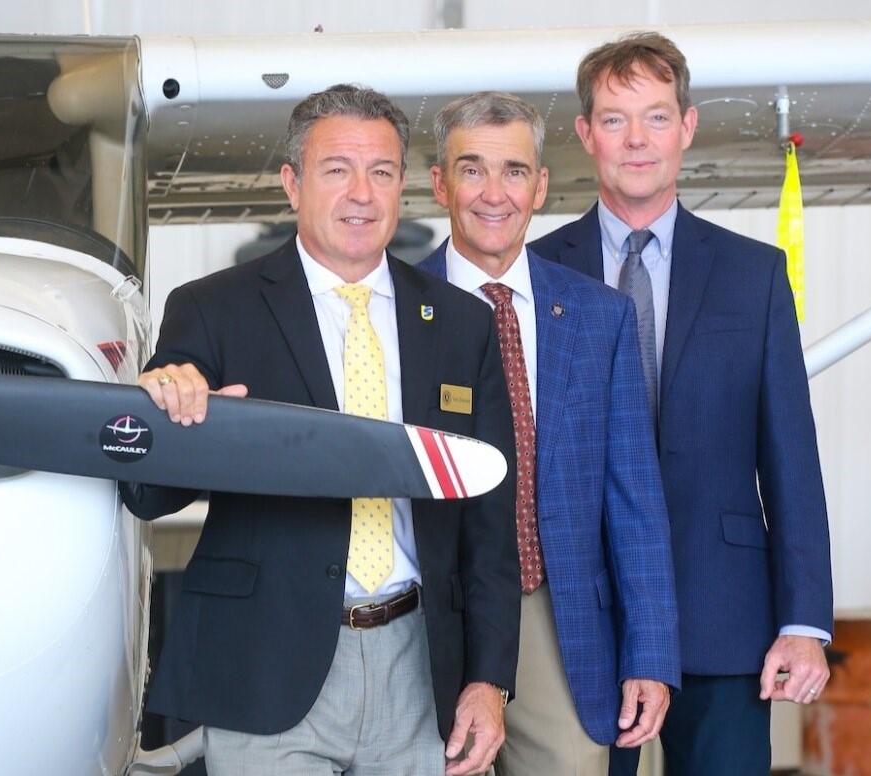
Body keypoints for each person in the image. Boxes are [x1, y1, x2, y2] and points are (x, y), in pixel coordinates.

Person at [121, 84, 521, 776]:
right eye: (337, 170)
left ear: (404, 186)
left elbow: (489, 522)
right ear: (292, 184)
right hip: (265, 667)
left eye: (382, 172)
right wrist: (164, 416)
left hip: (420, 673)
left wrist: (489, 681)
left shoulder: (462, 325)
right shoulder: (214, 311)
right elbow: (147, 494)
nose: (361, 194)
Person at [530, 32, 834, 776]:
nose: (637, 141)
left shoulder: (753, 275)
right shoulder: (536, 276)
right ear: (584, 135)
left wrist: (804, 623)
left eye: (657, 117)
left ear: (687, 127)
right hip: (584, 620)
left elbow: (790, 457)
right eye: (614, 119)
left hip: (725, 616)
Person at [417, 91, 679, 776]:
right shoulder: (395, 308)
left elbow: (635, 499)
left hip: (557, 611)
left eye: (513, 172)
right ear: (440, 183)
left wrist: (650, 654)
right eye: (472, 170)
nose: (493, 193)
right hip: (430, 619)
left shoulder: (600, 316)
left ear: (540, 187)